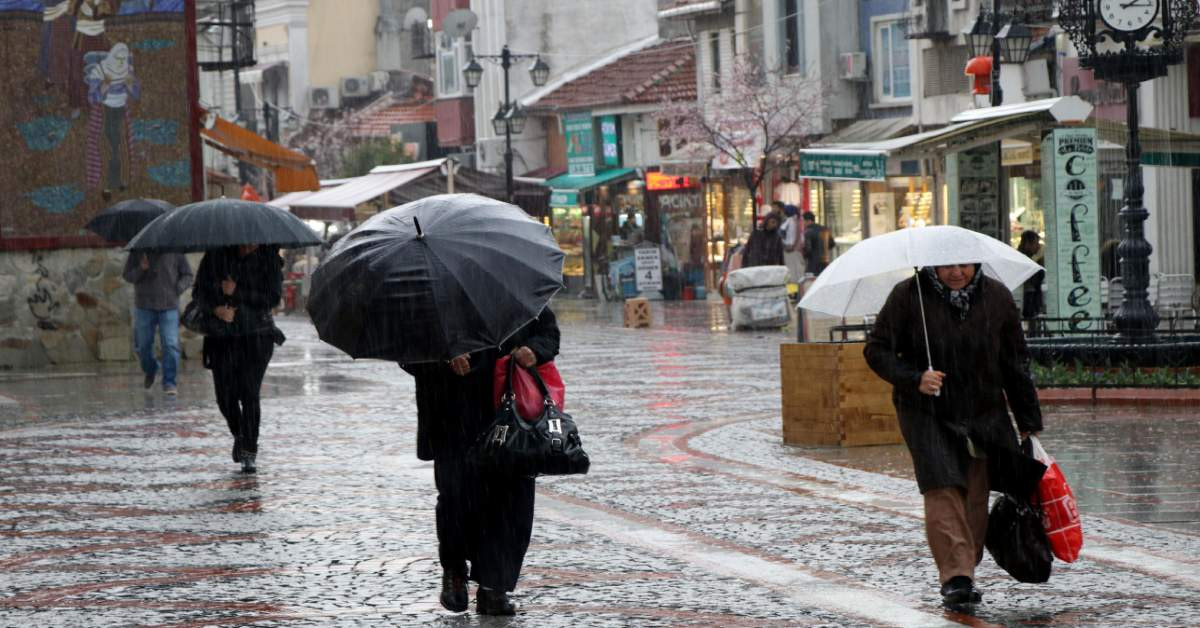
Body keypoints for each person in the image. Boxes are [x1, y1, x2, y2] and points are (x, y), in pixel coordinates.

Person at [864, 263, 1045, 607]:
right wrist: (914, 376)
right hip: (926, 410)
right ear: (934, 264)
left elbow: (1015, 361)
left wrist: (1028, 419)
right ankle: (957, 577)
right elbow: (877, 349)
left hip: (982, 408)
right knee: (941, 484)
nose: (957, 272)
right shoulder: (908, 295)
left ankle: (966, 562)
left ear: (976, 264)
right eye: (948, 265)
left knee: (975, 490)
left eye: (964, 265)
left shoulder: (997, 296)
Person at [400, 307, 560, 616]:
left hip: (510, 413)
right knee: (457, 498)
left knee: (512, 500)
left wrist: (533, 350)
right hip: (453, 416)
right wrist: (443, 358)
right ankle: (455, 573)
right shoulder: (429, 294)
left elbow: (549, 334)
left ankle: (494, 587)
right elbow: (408, 350)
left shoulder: (514, 286)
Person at [192, 244, 284, 474]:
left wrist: (237, 293)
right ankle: (239, 433)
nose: (249, 244)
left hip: (257, 335)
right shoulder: (215, 255)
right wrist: (216, 309)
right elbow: (199, 293)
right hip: (222, 336)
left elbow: (272, 298)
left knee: (249, 393)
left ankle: (249, 451)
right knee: (225, 396)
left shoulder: (268, 258)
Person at [122, 251, 193, 396]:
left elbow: (188, 275)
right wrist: (141, 269)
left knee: (171, 344)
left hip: (169, 306)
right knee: (142, 346)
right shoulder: (138, 250)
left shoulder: (174, 249)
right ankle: (151, 369)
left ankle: (169, 382)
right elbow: (128, 275)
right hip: (144, 305)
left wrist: (177, 289)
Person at [1017, 231, 1046, 326]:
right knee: (1029, 317)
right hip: (1026, 291)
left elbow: (1042, 273)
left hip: (1037, 290)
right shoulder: (1020, 255)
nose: (1038, 246)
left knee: (1036, 316)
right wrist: (1037, 256)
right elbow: (1026, 268)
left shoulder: (1039, 255)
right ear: (1027, 243)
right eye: (1035, 243)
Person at [778, 203, 805, 282]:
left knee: (791, 272)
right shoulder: (798, 221)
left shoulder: (789, 221)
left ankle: (793, 291)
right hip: (797, 249)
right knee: (798, 270)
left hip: (789, 249)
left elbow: (780, 232)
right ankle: (799, 290)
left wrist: (784, 243)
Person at [801, 211, 830, 275]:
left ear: (808, 221)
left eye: (804, 221)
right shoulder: (824, 229)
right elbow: (831, 244)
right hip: (825, 262)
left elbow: (808, 249)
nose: (803, 223)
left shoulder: (808, 232)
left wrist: (804, 256)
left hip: (813, 263)